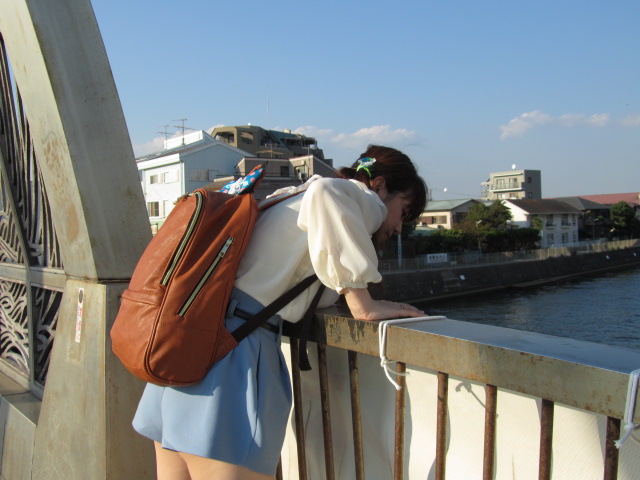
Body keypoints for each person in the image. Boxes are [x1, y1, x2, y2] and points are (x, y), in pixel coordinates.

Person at [132, 144, 428, 479]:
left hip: (193, 346)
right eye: (404, 212)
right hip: (234, 359)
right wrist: (363, 304)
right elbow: (328, 193)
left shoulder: (288, 197)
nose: (400, 227)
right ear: (381, 186)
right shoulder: (353, 194)